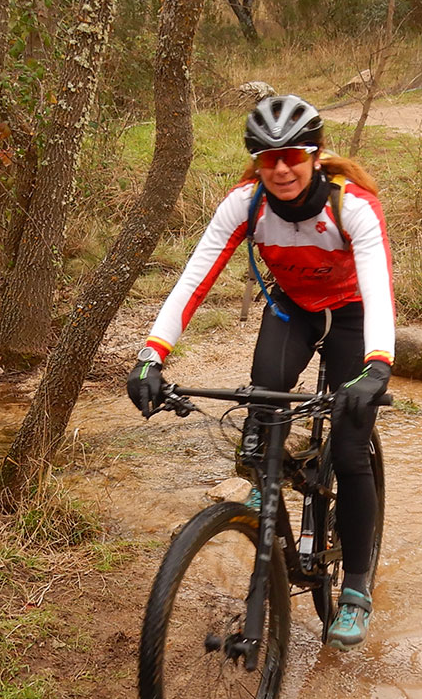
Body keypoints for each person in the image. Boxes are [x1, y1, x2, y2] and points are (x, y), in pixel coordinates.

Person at [125, 94, 394, 650]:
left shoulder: (352, 206)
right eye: (267, 157)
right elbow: (193, 279)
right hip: (291, 310)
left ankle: (357, 589)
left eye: (292, 154)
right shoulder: (245, 205)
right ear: (255, 161)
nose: (281, 167)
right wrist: (152, 354)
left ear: (315, 154)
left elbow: (377, 287)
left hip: (352, 315)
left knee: (348, 449)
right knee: (259, 415)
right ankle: (267, 492)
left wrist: (376, 368)